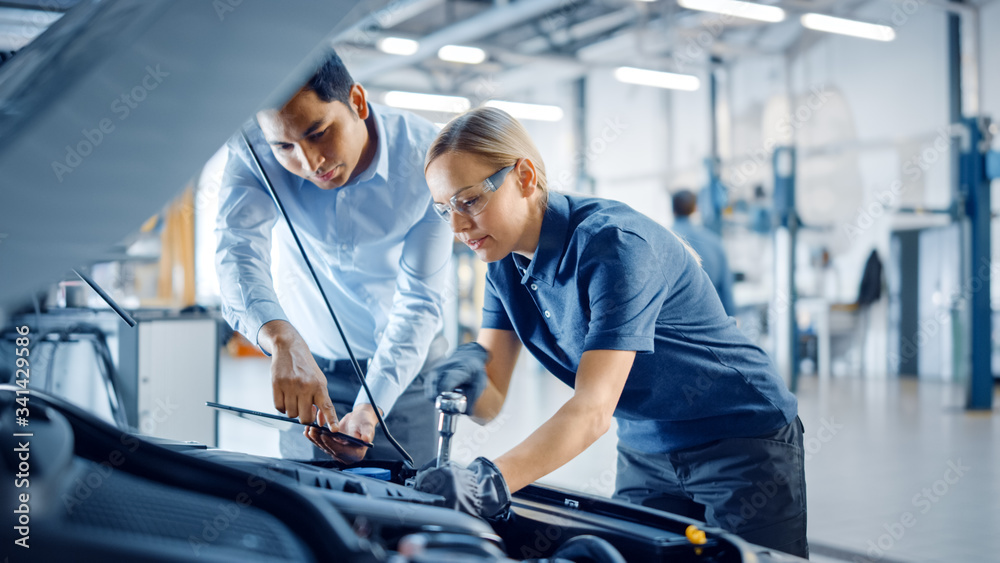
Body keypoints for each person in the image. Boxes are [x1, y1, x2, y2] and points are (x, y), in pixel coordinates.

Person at [414, 107, 808, 558]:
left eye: (470, 200)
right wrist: (466, 376)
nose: (458, 227)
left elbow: (592, 409)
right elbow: (491, 401)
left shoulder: (613, 245)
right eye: (444, 210)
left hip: (740, 440)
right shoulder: (503, 265)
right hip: (645, 445)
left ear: (523, 176)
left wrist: (489, 480)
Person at [215, 50, 452, 465]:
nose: (309, 162)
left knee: (411, 511)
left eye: (319, 132)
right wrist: (280, 336)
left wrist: (368, 407)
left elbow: (419, 303)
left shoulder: (428, 159)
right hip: (309, 372)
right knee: (311, 509)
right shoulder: (253, 150)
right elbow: (237, 250)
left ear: (357, 102)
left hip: (408, 374)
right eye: (284, 146)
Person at [671, 189, 736, 315]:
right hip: (711, 319)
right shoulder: (715, 242)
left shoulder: (664, 242)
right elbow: (726, 288)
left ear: (673, 210)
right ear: (696, 208)